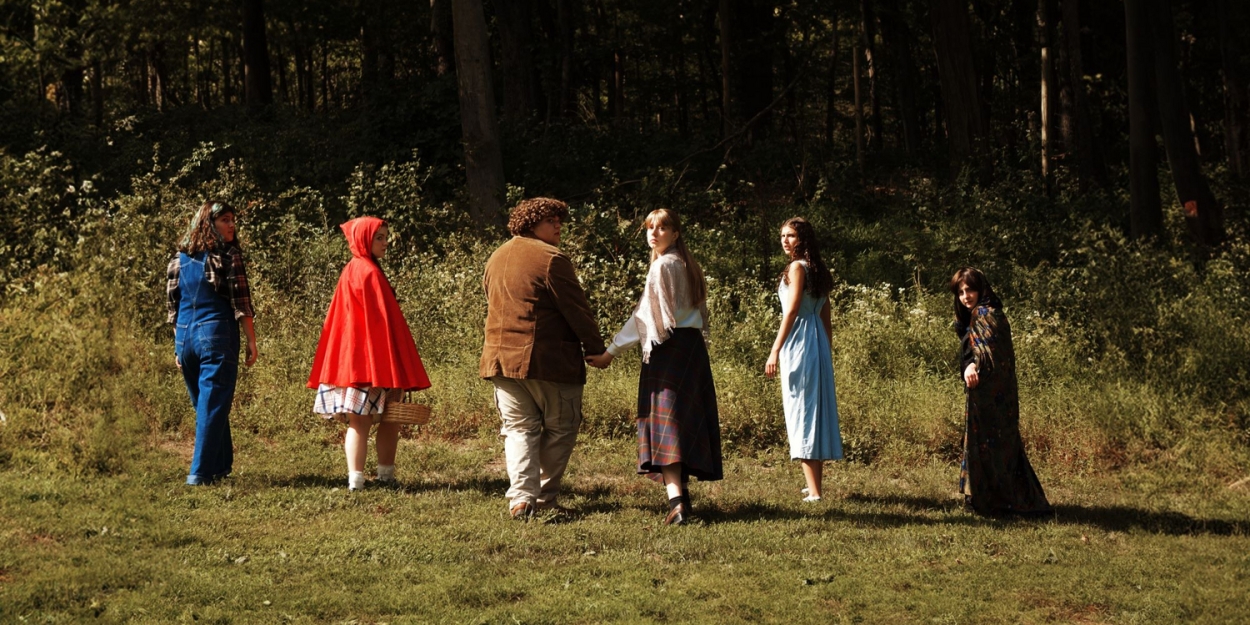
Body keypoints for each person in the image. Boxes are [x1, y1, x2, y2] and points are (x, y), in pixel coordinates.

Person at [587, 209, 722, 526]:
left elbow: (644, 319)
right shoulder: (689, 264)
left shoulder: (663, 266)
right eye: (650, 227)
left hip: (669, 350)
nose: (654, 233)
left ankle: (676, 504)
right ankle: (683, 500)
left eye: (662, 228)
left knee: (669, 425)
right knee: (681, 419)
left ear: (676, 233)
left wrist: (611, 352)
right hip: (691, 350)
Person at [481, 197, 607, 520]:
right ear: (530, 223)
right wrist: (595, 348)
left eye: (559, 220)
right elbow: (576, 309)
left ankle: (522, 500)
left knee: (519, 429)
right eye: (550, 220)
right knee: (561, 427)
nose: (558, 225)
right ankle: (544, 499)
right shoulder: (552, 259)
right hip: (549, 362)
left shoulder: (495, 258)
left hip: (501, 362)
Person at [308, 217, 431, 491]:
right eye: (380, 238)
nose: (386, 243)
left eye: (386, 237)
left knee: (360, 421)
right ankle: (384, 477)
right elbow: (384, 323)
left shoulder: (352, 269)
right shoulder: (370, 272)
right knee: (387, 419)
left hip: (353, 360)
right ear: (364, 239)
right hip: (375, 360)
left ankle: (357, 480)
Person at [167, 200, 259, 485]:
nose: (232, 225)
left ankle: (220, 465)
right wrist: (251, 342)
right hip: (216, 336)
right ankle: (200, 473)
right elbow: (242, 304)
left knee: (207, 405)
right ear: (209, 224)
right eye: (225, 220)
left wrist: (178, 347)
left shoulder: (177, 260)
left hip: (186, 339)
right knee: (211, 406)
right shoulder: (228, 256)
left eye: (233, 220)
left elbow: (172, 309)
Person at [949, 267, 1051, 516]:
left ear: (981, 288)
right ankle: (992, 499)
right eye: (961, 291)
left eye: (970, 289)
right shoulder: (974, 317)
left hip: (994, 394)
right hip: (987, 391)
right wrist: (969, 365)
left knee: (994, 446)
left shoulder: (987, 315)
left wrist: (975, 365)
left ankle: (1002, 501)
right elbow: (972, 354)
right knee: (991, 445)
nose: (965, 295)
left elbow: (991, 355)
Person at [764, 217, 843, 502]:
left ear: (803, 239)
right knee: (809, 407)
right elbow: (825, 314)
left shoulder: (798, 268)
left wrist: (775, 349)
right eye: (783, 235)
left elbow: (793, 310)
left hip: (799, 341)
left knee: (803, 410)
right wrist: (826, 349)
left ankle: (816, 493)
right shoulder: (817, 269)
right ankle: (813, 485)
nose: (785, 240)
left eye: (791, 235)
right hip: (816, 341)